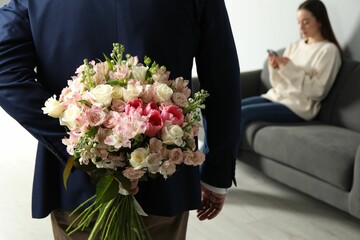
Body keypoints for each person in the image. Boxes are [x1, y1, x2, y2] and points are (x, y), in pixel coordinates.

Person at [0, 0, 241, 239]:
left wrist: (80, 143)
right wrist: (216, 175)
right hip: (165, 180)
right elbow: (222, 82)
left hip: (76, 187)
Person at [240, 0, 342, 138]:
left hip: (298, 107)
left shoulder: (328, 51)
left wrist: (287, 67)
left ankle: (221, 158)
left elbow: (318, 91)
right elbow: (278, 84)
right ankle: (207, 155)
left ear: (320, 21)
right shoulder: (295, 46)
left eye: (306, 22)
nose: (301, 27)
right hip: (276, 97)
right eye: (298, 22)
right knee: (232, 108)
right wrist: (275, 68)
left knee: (242, 113)